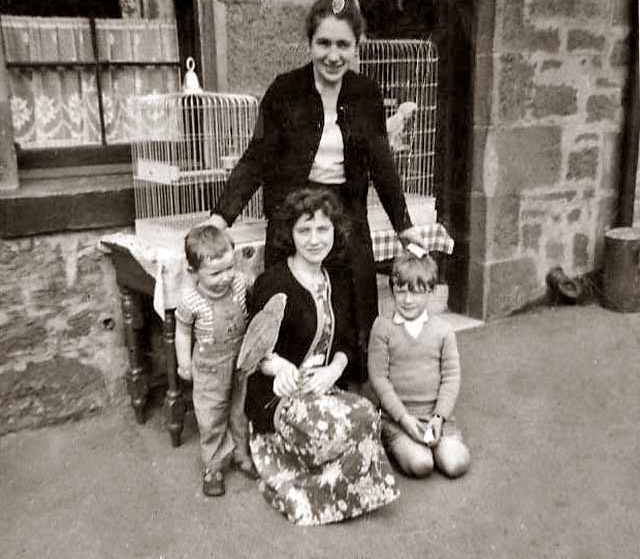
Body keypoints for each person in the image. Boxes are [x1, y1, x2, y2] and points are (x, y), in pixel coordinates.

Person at [207, 0, 424, 382]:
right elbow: (257, 157)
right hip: (295, 212)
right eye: (323, 43)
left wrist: (404, 225)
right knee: (291, 300)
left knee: (353, 299)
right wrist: (221, 217)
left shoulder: (366, 94)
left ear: (357, 47)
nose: (333, 55)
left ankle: (351, 385)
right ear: (309, 43)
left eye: (344, 44)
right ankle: (288, 390)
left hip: (346, 214)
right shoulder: (284, 91)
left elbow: (381, 164)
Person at [245, 188, 399, 526]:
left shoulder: (337, 279)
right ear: (290, 234)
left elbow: (346, 341)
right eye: (304, 230)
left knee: (365, 414)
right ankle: (304, 485)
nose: (314, 240)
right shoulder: (273, 283)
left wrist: (334, 370)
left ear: (335, 232)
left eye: (322, 229)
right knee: (331, 431)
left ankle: (340, 482)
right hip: (279, 394)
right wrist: (279, 366)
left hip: (321, 387)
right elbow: (253, 354)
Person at [367, 251, 470, 479]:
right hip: (397, 418)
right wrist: (403, 418)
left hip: (434, 416)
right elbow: (379, 378)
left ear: (430, 291)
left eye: (415, 291)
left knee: (456, 464)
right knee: (421, 464)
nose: (407, 300)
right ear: (392, 288)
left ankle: (437, 438)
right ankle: (390, 438)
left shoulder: (443, 330)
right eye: (400, 290)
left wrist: (439, 417)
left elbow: (451, 377)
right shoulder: (382, 327)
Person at [174, 225, 257, 497]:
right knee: (211, 414)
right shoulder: (190, 301)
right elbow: (183, 332)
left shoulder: (239, 283)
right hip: (209, 368)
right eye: (215, 273)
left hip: (241, 360)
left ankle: (242, 453)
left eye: (229, 267)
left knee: (241, 408)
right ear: (193, 271)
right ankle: (213, 464)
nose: (225, 277)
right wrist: (183, 362)